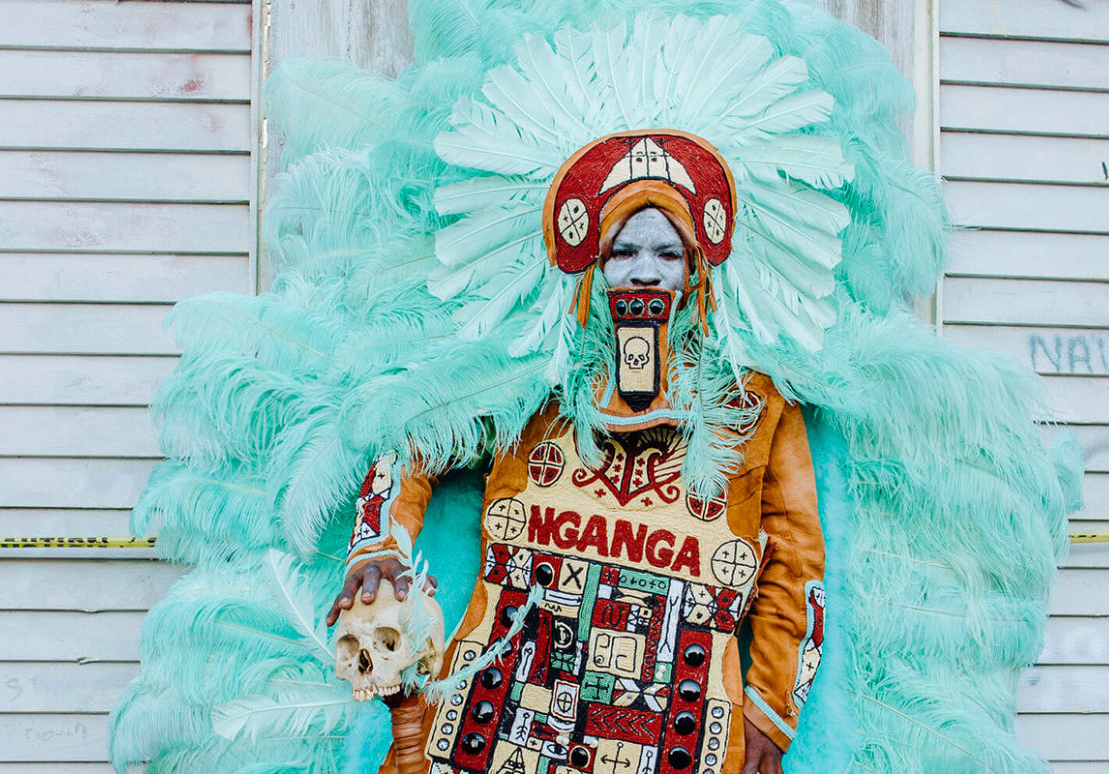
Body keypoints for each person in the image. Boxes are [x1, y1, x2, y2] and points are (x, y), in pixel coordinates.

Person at [326, 131, 825, 774]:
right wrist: (379, 544)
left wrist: (768, 713)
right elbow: (418, 438)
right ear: (592, 264)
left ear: (697, 269)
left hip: (684, 731)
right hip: (502, 723)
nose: (646, 272)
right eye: (624, 251)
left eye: (668, 253)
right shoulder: (531, 383)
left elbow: (798, 567)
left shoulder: (753, 405)